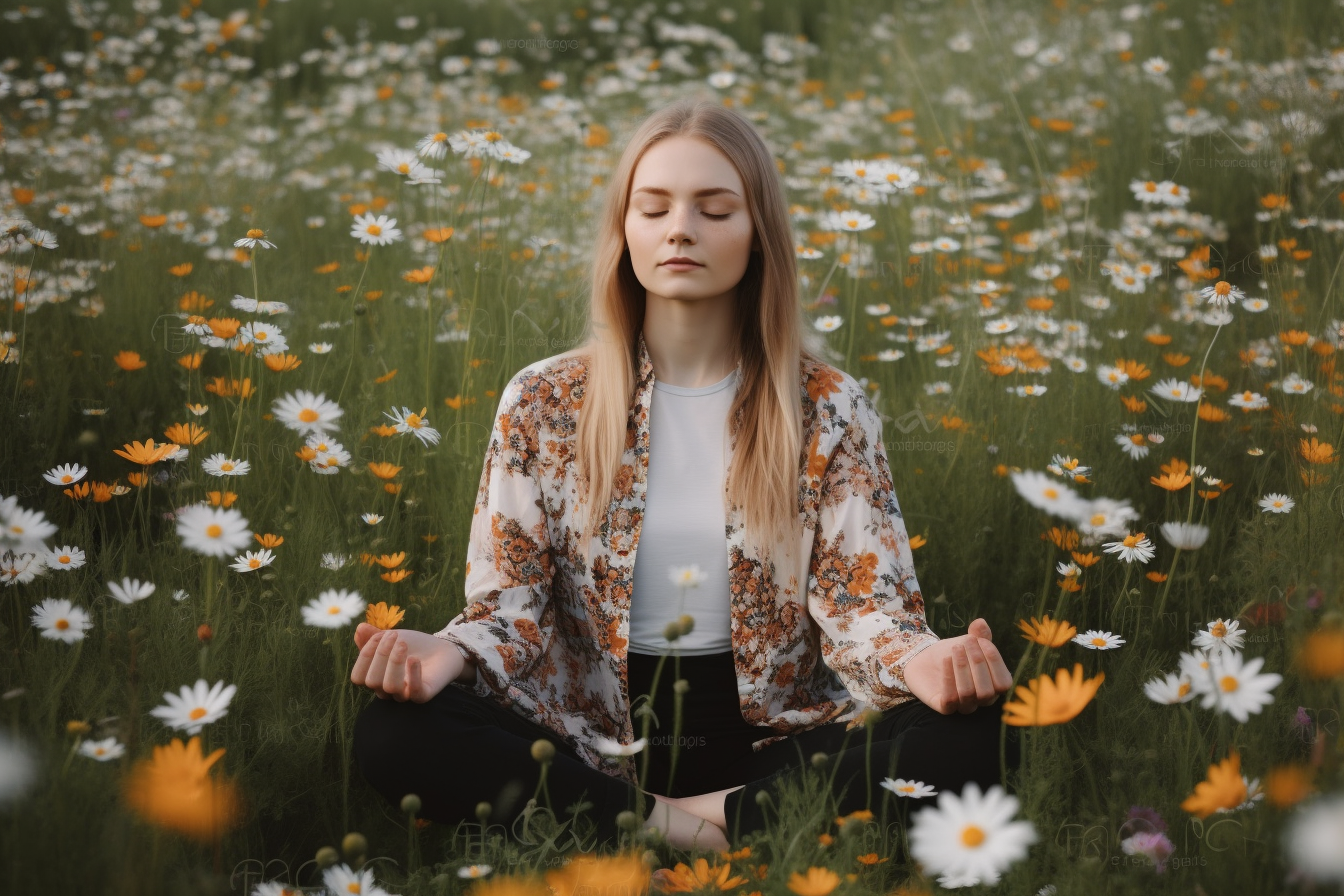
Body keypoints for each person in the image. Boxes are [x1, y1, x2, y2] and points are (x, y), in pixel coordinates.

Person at [350, 98, 1019, 852]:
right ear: (624, 229)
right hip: (592, 743)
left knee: (982, 735)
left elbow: (866, 608)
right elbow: (513, 606)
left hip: (769, 746)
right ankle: (718, 836)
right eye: (655, 206)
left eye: (715, 209)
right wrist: (453, 651)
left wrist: (927, 659)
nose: (680, 230)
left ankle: (647, 828)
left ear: (757, 233)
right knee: (391, 734)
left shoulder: (829, 407)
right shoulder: (542, 400)